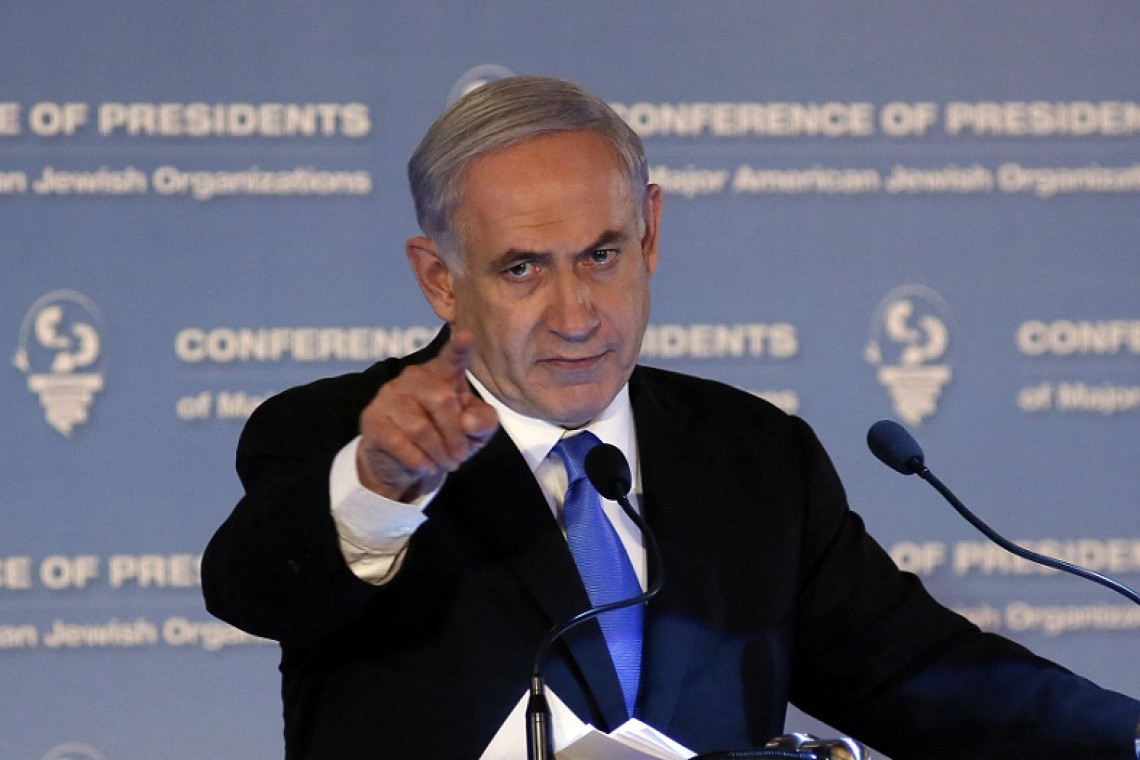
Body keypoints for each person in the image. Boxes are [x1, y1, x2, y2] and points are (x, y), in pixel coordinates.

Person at [202, 76, 1140, 760]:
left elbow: (918, 676)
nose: (576, 314)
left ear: (650, 231)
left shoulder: (751, 454)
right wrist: (378, 486)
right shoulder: (332, 434)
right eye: (523, 268)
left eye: (602, 254)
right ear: (440, 278)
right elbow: (255, 590)